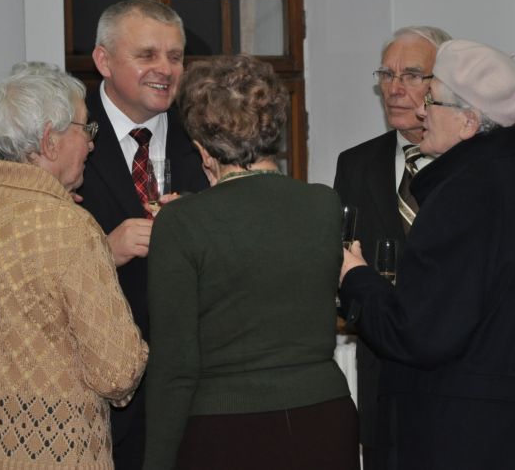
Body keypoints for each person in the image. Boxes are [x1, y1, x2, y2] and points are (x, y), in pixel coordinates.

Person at [339, 40, 515, 469]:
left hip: (474, 436)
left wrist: (356, 278)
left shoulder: (465, 195)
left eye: (431, 100)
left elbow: (417, 333)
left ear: (469, 122)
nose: (421, 112)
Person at [0, 63, 148, 469]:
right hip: (51, 458)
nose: (91, 144)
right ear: (49, 141)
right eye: (85, 129)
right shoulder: (69, 227)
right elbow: (117, 372)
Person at [143, 54, 359, 470]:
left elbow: (175, 367)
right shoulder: (323, 204)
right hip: (324, 417)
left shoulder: (182, 222)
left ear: (203, 149)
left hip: (228, 427)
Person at [78, 0, 209, 468]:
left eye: (175, 57)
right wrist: (102, 251)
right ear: (104, 60)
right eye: (147, 55)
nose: (166, 70)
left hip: (192, 388)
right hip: (93, 389)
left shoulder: (205, 133)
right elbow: (28, 256)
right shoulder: (66, 134)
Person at [332, 25, 452, 470]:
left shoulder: (471, 168)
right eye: (386, 74)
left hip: (453, 377)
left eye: (412, 75)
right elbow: (341, 259)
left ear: (443, 84)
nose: (394, 89)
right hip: (381, 375)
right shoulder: (356, 163)